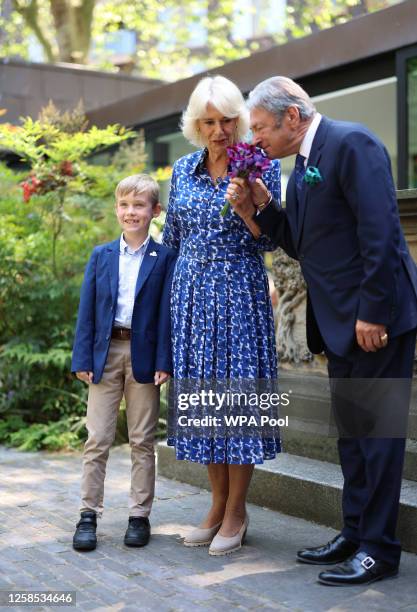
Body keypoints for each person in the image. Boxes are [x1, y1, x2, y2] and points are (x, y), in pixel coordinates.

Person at [227, 76, 417, 585]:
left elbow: (381, 232)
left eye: (262, 127)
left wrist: (374, 312)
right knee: (353, 439)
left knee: (377, 439)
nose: (258, 139)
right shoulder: (301, 165)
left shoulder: (352, 143)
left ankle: (379, 549)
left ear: (293, 116)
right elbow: (300, 242)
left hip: (374, 321)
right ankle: (355, 533)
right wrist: (258, 210)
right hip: (338, 325)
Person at [162, 75, 281, 556]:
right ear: (195, 125)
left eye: (227, 120)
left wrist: (250, 209)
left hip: (238, 296)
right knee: (205, 405)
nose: (219, 130)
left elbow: (274, 241)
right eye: (208, 121)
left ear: (240, 120)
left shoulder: (260, 169)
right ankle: (215, 506)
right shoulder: (182, 170)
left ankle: (237, 511)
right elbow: (171, 239)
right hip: (191, 298)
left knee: (237, 406)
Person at [71, 174, 176, 551]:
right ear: (117, 209)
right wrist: (82, 357)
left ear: (154, 211)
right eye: (124, 205)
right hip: (106, 352)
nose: (131, 212)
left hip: (145, 358)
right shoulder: (102, 255)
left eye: (139, 205)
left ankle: (138, 516)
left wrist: (165, 360)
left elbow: (166, 314)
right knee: (97, 438)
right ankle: (87, 515)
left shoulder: (164, 258)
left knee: (142, 440)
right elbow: (87, 311)